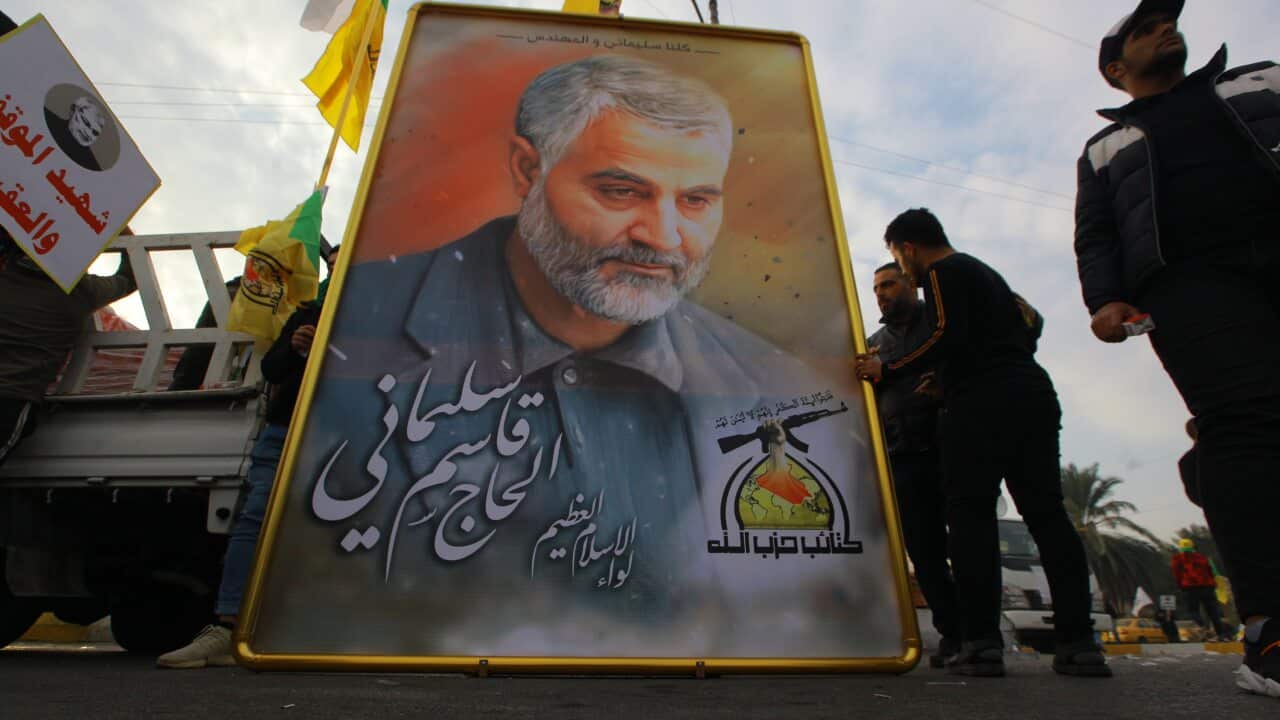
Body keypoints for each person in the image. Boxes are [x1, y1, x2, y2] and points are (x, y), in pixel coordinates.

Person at [1075, 0, 1280, 696]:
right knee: (1242, 431)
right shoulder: (1104, 149)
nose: (1166, 28)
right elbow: (1097, 234)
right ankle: (1269, 631)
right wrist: (1104, 301)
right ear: (1115, 68)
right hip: (1191, 289)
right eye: (1144, 29)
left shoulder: (1259, 82)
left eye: (1167, 21)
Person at [854, 209, 1109, 678]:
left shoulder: (943, 273)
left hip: (980, 407)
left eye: (896, 261)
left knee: (969, 518)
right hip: (1029, 394)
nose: (900, 273)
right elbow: (1022, 325)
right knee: (1048, 515)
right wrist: (946, 378)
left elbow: (950, 336)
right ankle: (1078, 643)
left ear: (907, 249)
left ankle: (982, 642)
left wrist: (891, 371)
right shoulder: (987, 276)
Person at [156, 250, 336, 668]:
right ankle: (227, 626)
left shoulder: (381, 316)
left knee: (326, 529)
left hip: (340, 434)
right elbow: (272, 370)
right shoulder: (310, 312)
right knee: (254, 520)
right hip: (285, 430)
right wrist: (293, 346)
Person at [867, 261, 959, 668]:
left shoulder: (942, 325)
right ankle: (954, 633)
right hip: (902, 456)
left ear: (910, 285)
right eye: (876, 289)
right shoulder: (873, 343)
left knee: (969, 542)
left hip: (950, 449)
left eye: (888, 284)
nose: (881, 294)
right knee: (924, 550)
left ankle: (980, 632)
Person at [0, 228, 135, 466]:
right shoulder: (82, 291)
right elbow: (130, 278)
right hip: (11, 398)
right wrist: (126, 236)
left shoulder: (7, 273)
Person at [1171, 538, 1230, 641]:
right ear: (1192, 546)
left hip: (1191, 588)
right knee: (1213, 612)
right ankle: (1221, 635)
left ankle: (1204, 627)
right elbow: (1212, 571)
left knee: (1193, 610)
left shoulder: (1178, 558)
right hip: (1208, 587)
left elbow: (1177, 574)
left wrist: (1181, 586)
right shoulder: (1203, 558)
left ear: (1181, 547)